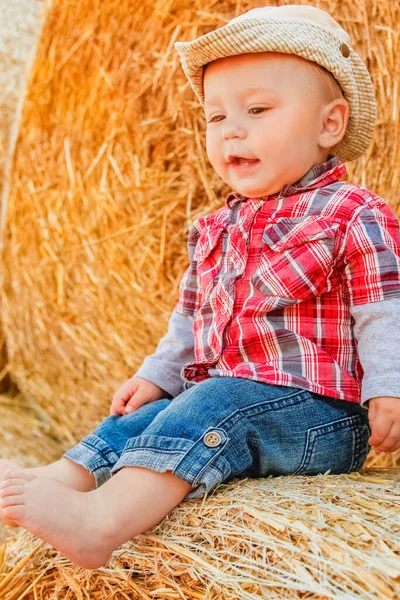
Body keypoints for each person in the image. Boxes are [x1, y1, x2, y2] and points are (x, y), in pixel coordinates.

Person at [1, 4, 400, 571]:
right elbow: (188, 322)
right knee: (163, 409)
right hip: (237, 397)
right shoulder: (215, 227)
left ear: (329, 124)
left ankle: (100, 523)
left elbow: (384, 307)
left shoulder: (351, 212)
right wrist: (156, 375)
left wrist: (389, 384)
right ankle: (63, 478)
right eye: (215, 117)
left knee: (214, 401)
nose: (231, 129)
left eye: (257, 109)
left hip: (320, 416)